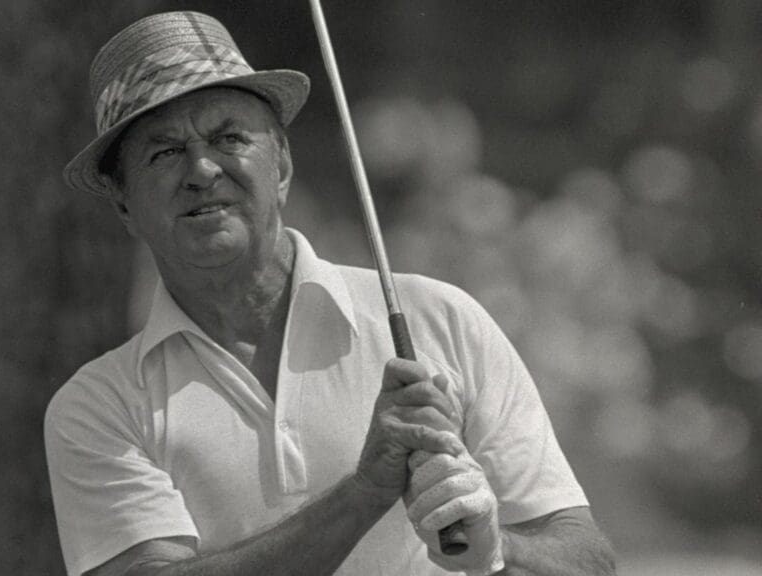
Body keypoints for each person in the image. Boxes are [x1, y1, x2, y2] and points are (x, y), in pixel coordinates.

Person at [45, 11, 617, 576]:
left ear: (282, 166)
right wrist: (364, 492)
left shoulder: (441, 320)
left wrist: (499, 547)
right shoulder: (99, 407)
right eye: (164, 152)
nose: (202, 170)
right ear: (123, 204)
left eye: (229, 138)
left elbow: (586, 561)